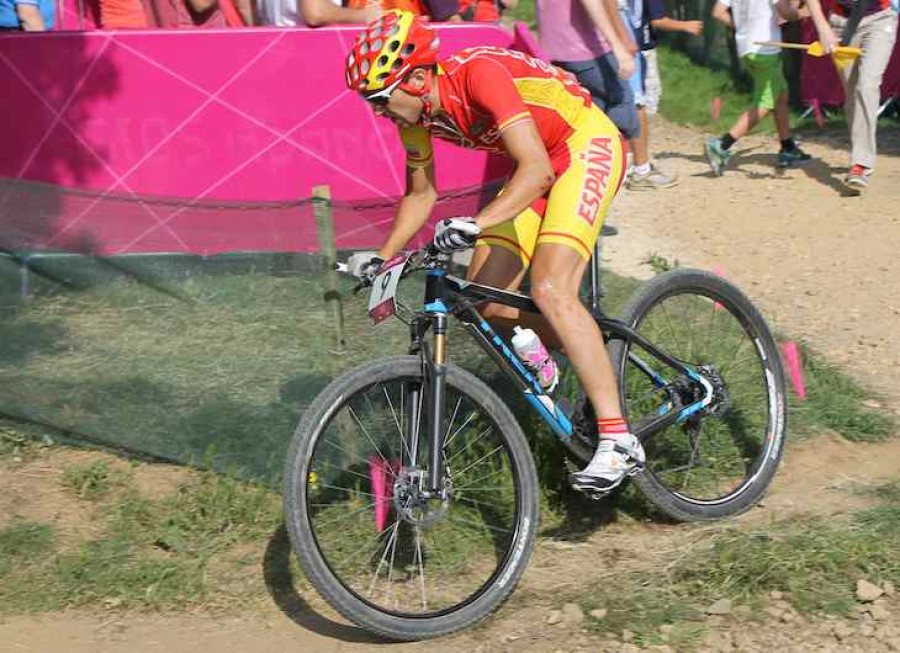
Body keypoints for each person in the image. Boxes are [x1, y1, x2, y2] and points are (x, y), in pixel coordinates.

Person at [344, 10, 645, 494]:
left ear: (418, 77)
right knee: (486, 300)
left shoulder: (480, 75)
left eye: (381, 99)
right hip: (539, 165)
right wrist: (382, 256)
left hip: (583, 145)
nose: (379, 111)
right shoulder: (416, 116)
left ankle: (618, 439)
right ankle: (562, 351)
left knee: (550, 286)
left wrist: (476, 222)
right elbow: (421, 196)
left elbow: (537, 170)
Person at [704, 0, 813, 175]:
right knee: (765, 103)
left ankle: (788, 147)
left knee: (781, 95)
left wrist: (742, 29)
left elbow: (718, 12)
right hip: (765, 50)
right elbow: (786, 13)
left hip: (748, 49)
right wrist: (805, 12)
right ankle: (721, 145)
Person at [804, 0, 898, 194]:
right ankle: (860, 153)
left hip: (880, 19)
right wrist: (823, 28)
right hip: (840, 24)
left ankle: (860, 164)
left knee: (867, 86)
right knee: (853, 93)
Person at [537, 0, 641, 156]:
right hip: (586, 51)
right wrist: (617, 45)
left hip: (552, 50)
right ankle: (619, 167)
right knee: (621, 109)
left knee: (580, 115)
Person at [622, 0, 704, 189]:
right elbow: (658, 20)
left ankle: (629, 159)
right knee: (639, 105)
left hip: (632, 47)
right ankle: (638, 167)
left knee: (629, 105)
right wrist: (686, 25)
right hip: (639, 49)